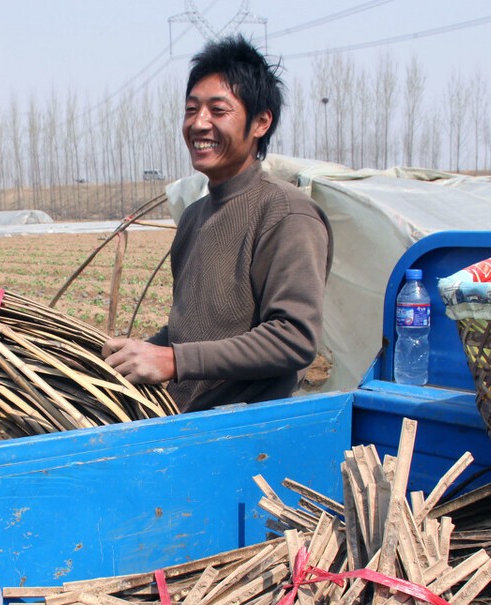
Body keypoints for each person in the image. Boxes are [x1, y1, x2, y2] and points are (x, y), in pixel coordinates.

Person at [103, 36, 332, 413]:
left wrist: (173, 360)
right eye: (191, 110)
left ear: (261, 122)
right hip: (184, 423)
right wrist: (138, 352)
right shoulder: (195, 217)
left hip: (244, 437)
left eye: (217, 110)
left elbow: (294, 338)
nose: (199, 123)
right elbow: (188, 332)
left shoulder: (287, 213)